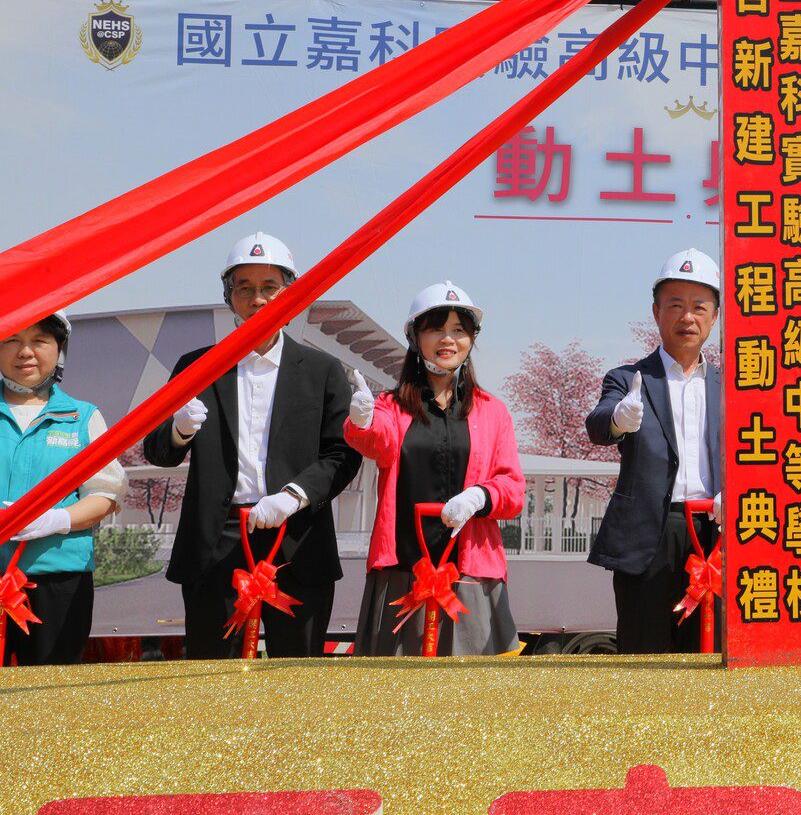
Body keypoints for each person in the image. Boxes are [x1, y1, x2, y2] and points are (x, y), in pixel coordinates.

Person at [142, 232, 360, 659]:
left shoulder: (322, 370)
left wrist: (293, 496)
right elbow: (157, 452)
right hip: (216, 540)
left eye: (270, 288)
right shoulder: (196, 367)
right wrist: (178, 430)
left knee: (295, 679)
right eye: (245, 288)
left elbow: (342, 455)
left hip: (296, 538)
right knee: (211, 676)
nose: (258, 299)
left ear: (290, 295)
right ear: (230, 297)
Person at [346, 282, 523, 655]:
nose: (448, 339)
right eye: (435, 328)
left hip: (470, 575)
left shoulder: (492, 411)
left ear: (471, 340)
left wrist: (480, 496)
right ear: (416, 338)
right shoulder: (391, 407)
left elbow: (513, 491)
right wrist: (361, 421)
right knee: (397, 694)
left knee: (469, 696)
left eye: (459, 330)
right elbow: (377, 441)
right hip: (402, 573)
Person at [586, 249, 724, 654]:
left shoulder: (731, 384)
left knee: (708, 653)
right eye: (675, 306)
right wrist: (618, 418)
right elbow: (599, 423)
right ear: (656, 312)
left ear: (714, 316)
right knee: (643, 655)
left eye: (699, 307)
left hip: (713, 531)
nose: (687, 318)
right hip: (650, 533)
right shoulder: (628, 378)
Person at [0, 312, 127, 665]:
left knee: (47, 693)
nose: (25, 352)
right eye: (11, 340)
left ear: (60, 349)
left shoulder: (82, 417)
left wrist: (53, 520)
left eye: (39, 340)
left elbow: (105, 495)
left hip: (58, 580)